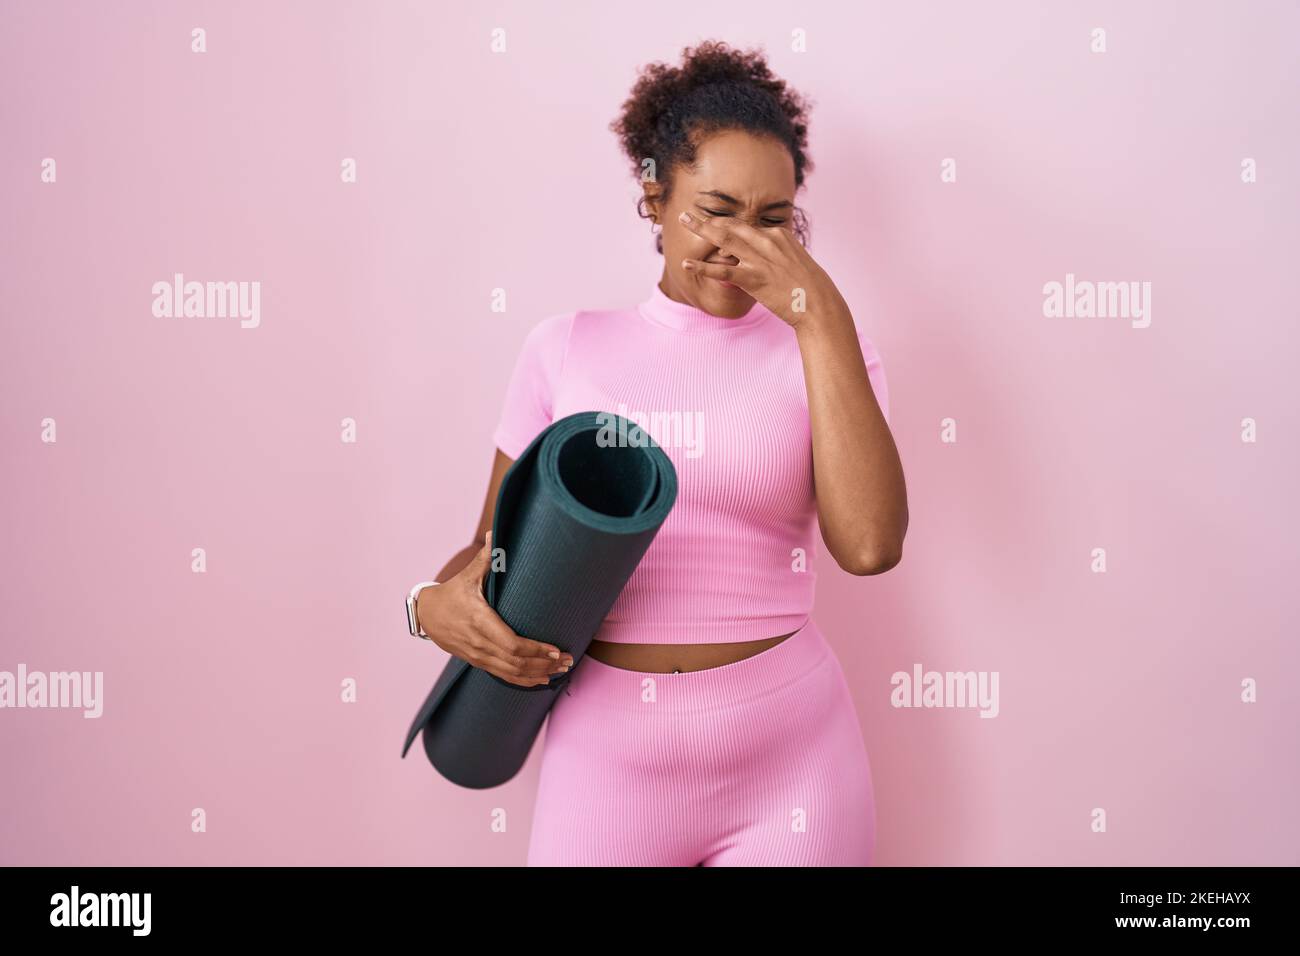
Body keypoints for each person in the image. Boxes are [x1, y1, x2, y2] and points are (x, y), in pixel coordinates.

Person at [413, 40, 908, 866]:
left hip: (793, 759)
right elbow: (491, 557)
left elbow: (869, 546)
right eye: (714, 210)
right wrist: (427, 603)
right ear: (654, 195)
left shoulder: (823, 353)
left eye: (773, 219)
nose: (740, 244)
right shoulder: (566, 350)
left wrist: (821, 316)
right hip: (607, 759)